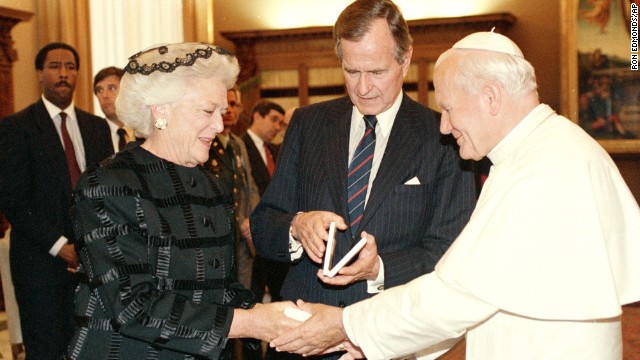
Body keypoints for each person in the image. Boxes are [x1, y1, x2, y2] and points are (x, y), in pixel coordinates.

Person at [270, 31, 640, 360]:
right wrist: (372, 341)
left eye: (447, 108)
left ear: (491, 97)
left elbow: (458, 298)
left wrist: (349, 325)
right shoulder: (535, 153)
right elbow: (476, 292)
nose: (444, 126)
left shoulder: (546, 166)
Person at [251, 2, 476, 358]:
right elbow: (263, 226)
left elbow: (451, 253)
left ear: (405, 59)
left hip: (389, 341)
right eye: (351, 71)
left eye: (376, 71)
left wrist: (380, 268)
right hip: (302, 337)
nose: (364, 87)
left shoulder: (443, 137)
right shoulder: (308, 125)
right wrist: (296, 225)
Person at [65, 42, 298, 360]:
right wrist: (251, 322)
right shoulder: (108, 185)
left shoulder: (211, 189)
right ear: (160, 110)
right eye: (207, 110)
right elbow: (132, 306)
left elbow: (219, 288)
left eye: (222, 112)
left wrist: (280, 316)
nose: (219, 125)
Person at [0, 42, 114, 360]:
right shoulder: (16, 127)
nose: (63, 74)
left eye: (70, 67)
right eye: (54, 67)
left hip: (93, 265)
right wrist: (62, 246)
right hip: (41, 265)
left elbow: (106, 194)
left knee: (94, 349)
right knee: (48, 351)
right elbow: (13, 200)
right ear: (39, 74)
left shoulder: (97, 128)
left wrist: (92, 245)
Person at [203, 87, 260, 290]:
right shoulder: (204, 144)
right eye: (222, 106)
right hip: (216, 233)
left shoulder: (237, 144)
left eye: (232, 105)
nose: (228, 110)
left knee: (243, 289)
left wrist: (252, 220)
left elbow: (249, 186)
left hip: (242, 234)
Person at [93, 66, 139, 152]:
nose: (104, 95)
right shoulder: (92, 135)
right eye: (99, 90)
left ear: (127, 90)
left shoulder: (146, 131)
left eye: (111, 88)